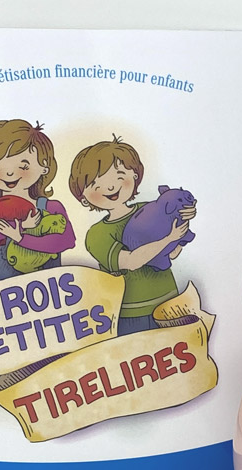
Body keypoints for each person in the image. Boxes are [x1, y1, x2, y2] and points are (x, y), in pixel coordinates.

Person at [69, 136, 196, 336]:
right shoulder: (97, 235)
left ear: (135, 175)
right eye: (96, 183)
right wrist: (169, 238)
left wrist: (183, 218)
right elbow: (130, 261)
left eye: (119, 176)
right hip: (130, 313)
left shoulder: (151, 209)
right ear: (83, 197)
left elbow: (172, 254)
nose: (111, 187)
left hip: (170, 303)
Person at [0, 119, 75, 279]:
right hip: (1, 291)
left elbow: (66, 241)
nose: (10, 173)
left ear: (44, 167)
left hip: (49, 289)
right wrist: (22, 225)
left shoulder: (51, 208)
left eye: (23, 166)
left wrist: (21, 238)